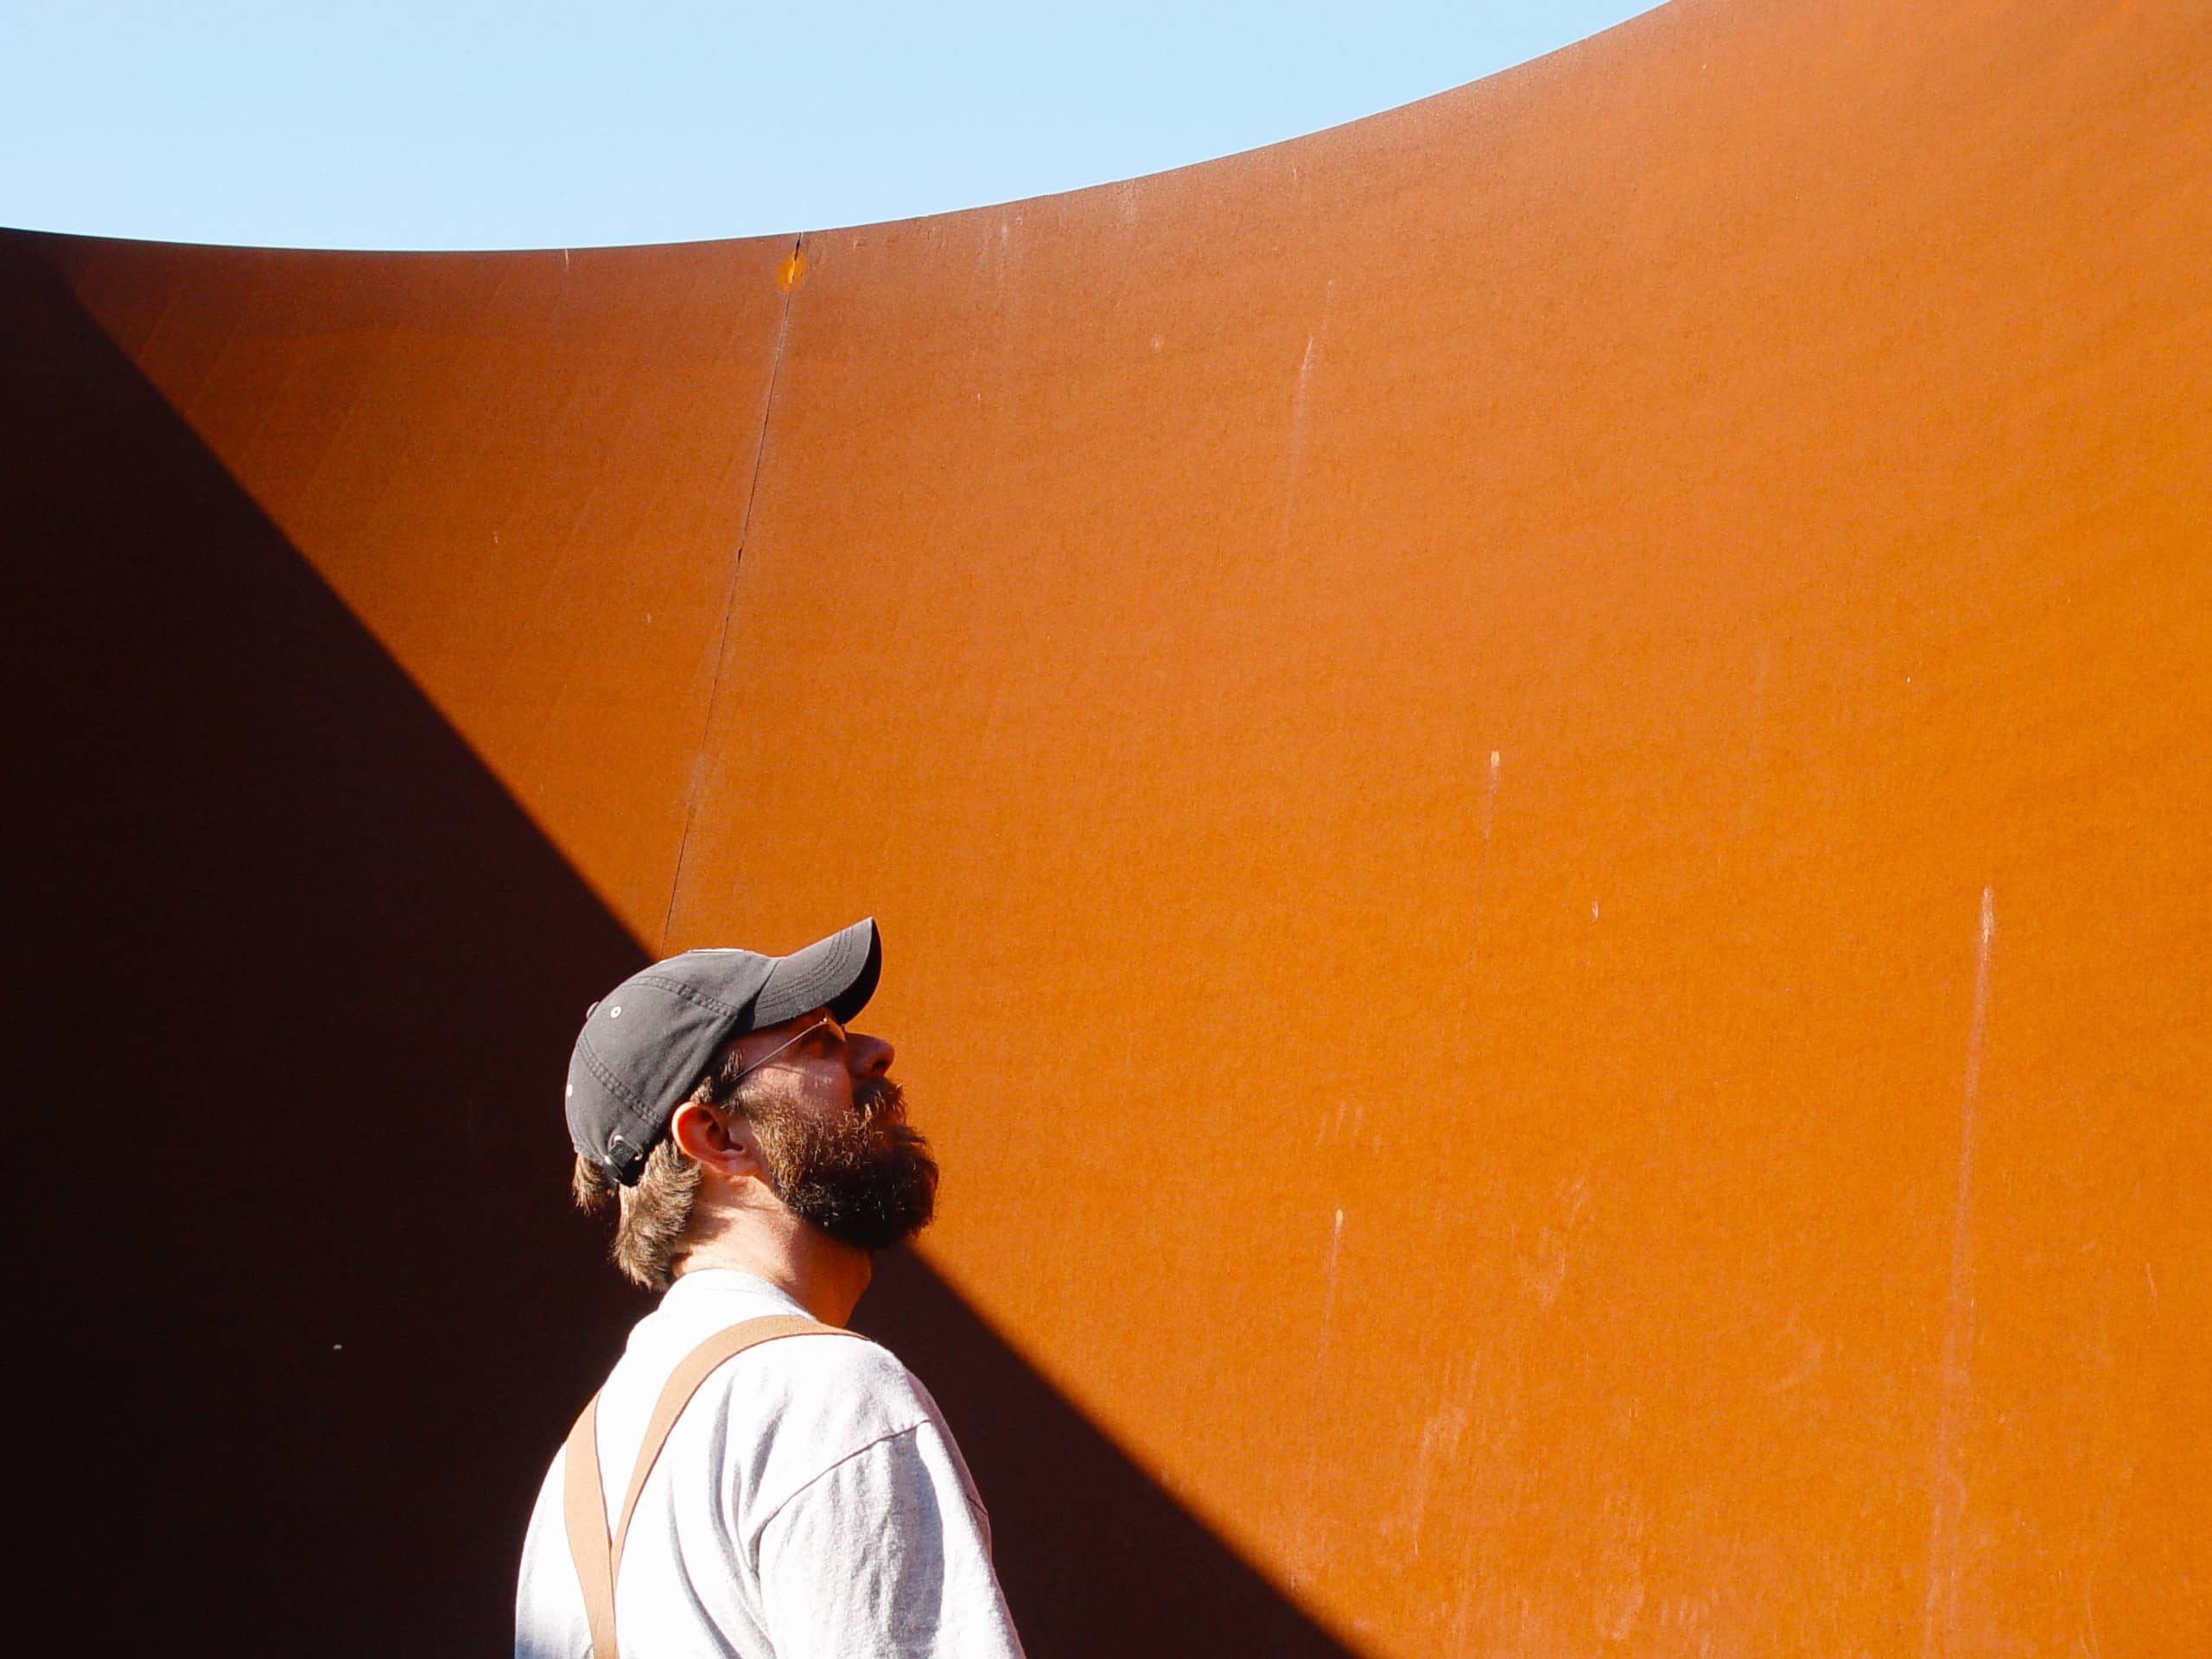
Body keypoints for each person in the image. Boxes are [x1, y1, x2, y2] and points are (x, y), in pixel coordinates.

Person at [515, 918, 1026, 1659]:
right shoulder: (823, 1395)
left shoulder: (574, 1482)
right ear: (718, 1136)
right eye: (817, 1040)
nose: (874, 1052)